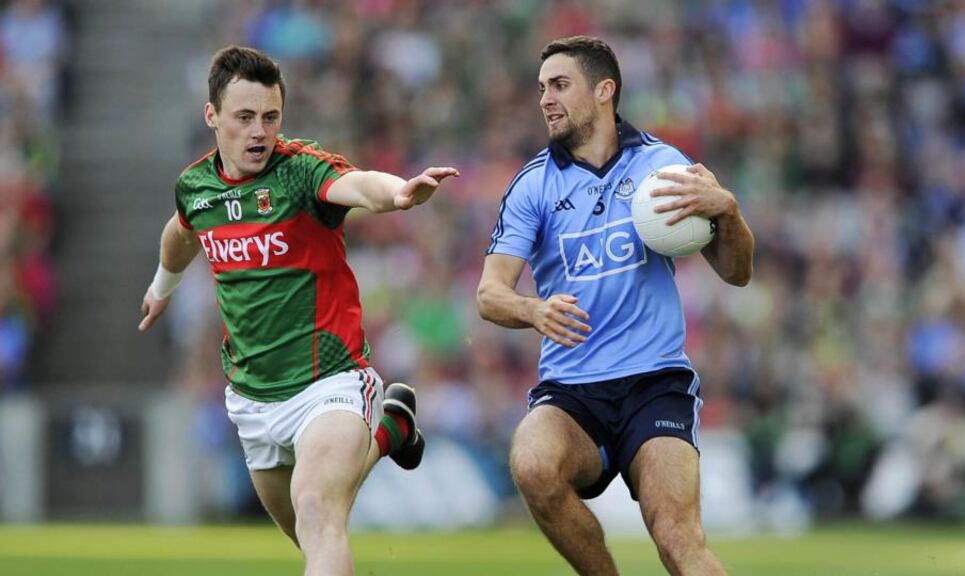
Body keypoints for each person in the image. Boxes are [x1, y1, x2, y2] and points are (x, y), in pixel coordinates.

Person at [138, 46, 458, 575]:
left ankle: (381, 418)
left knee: (317, 511)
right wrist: (162, 286)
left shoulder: (299, 173)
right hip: (252, 398)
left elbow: (354, 184)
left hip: (328, 383)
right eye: (244, 118)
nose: (259, 131)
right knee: (309, 536)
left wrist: (397, 192)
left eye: (270, 117)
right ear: (212, 116)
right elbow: (180, 234)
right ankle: (392, 432)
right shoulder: (196, 188)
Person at [477, 36, 754, 576]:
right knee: (532, 465)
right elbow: (490, 293)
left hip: (655, 383)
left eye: (559, 85)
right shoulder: (532, 184)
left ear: (604, 91)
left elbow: (736, 273)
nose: (544, 100)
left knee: (677, 538)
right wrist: (533, 310)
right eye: (541, 89)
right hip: (573, 392)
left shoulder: (664, 167)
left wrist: (729, 212)